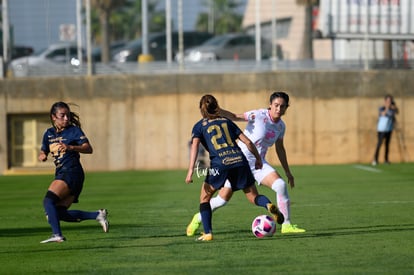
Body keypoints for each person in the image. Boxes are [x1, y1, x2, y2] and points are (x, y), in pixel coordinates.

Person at [186, 91, 305, 236]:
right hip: (239, 160)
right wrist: (216, 110)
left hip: (258, 164)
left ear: (287, 107)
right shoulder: (258, 115)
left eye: (283, 106)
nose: (279, 109)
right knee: (222, 200)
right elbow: (236, 117)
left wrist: (288, 172)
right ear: (270, 105)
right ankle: (198, 218)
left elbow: (280, 149)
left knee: (280, 185)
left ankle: (286, 225)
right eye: (276, 105)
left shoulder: (281, 126)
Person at [39, 101, 109, 243]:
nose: (66, 118)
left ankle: (57, 235)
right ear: (54, 117)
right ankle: (97, 215)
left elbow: (88, 149)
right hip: (63, 173)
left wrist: (71, 147)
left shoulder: (74, 131)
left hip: (71, 172)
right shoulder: (49, 133)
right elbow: (44, 149)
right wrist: (42, 154)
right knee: (59, 213)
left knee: (48, 201)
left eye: (68, 115)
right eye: (62, 115)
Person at [372, 94, 399, 166]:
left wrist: (394, 107)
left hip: (389, 130)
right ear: (385, 101)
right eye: (387, 101)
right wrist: (387, 107)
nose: (389, 102)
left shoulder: (392, 109)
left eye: (390, 101)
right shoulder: (382, 108)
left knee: (387, 145)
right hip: (381, 129)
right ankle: (375, 159)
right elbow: (383, 114)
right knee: (379, 144)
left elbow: (396, 112)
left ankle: (386, 159)